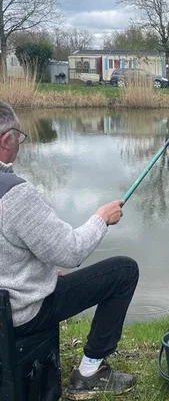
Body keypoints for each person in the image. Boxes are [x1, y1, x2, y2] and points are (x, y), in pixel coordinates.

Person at [0, 102, 139, 400]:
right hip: (20, 315)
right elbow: (71, 252)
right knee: (124, 271)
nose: (19, 145)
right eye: (19, 137)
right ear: (6, 139)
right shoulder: (12, 194)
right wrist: (101, 218)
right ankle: (89, 372)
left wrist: (42, 270)